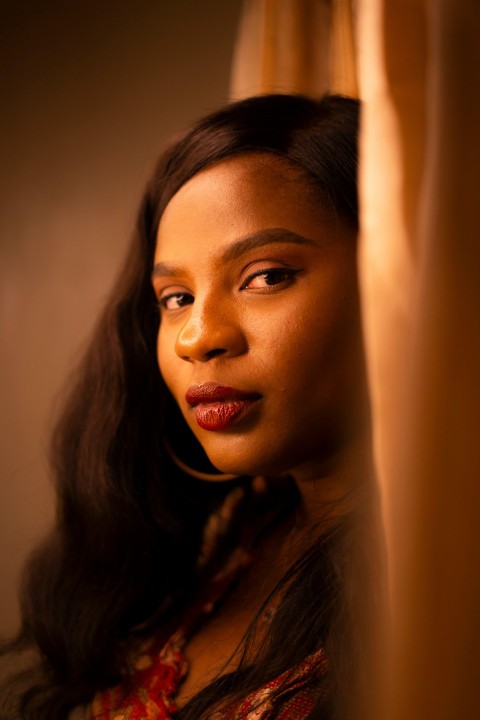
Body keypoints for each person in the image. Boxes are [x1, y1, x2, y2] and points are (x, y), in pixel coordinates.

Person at [1, 94, 380, 720]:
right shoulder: (231, 534)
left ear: (391, 279)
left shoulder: (441, 583)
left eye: (265, 276)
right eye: (175, 297)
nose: (196, 336)